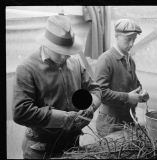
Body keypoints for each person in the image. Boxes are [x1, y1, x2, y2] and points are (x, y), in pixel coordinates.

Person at [12, 15, 102, 159]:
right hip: (40, 150)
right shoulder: (27, 68)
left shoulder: (75, 63)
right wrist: (65, 118)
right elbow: (21, 112)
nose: (66, 57)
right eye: (61, 51)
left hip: (72, 144)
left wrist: (90, 106)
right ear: (47, 44)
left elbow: (95, 89)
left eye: (68, 51)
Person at [94, 19, 150, 137]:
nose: (131, 44)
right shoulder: (106, 59)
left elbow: (136, 86)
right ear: (116, 36)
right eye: (128, 39)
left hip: (129, 119)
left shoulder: (130, 60)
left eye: (134, 40)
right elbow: (100, 93)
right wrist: (127, 97)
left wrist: (142, 94)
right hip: (110, 123)